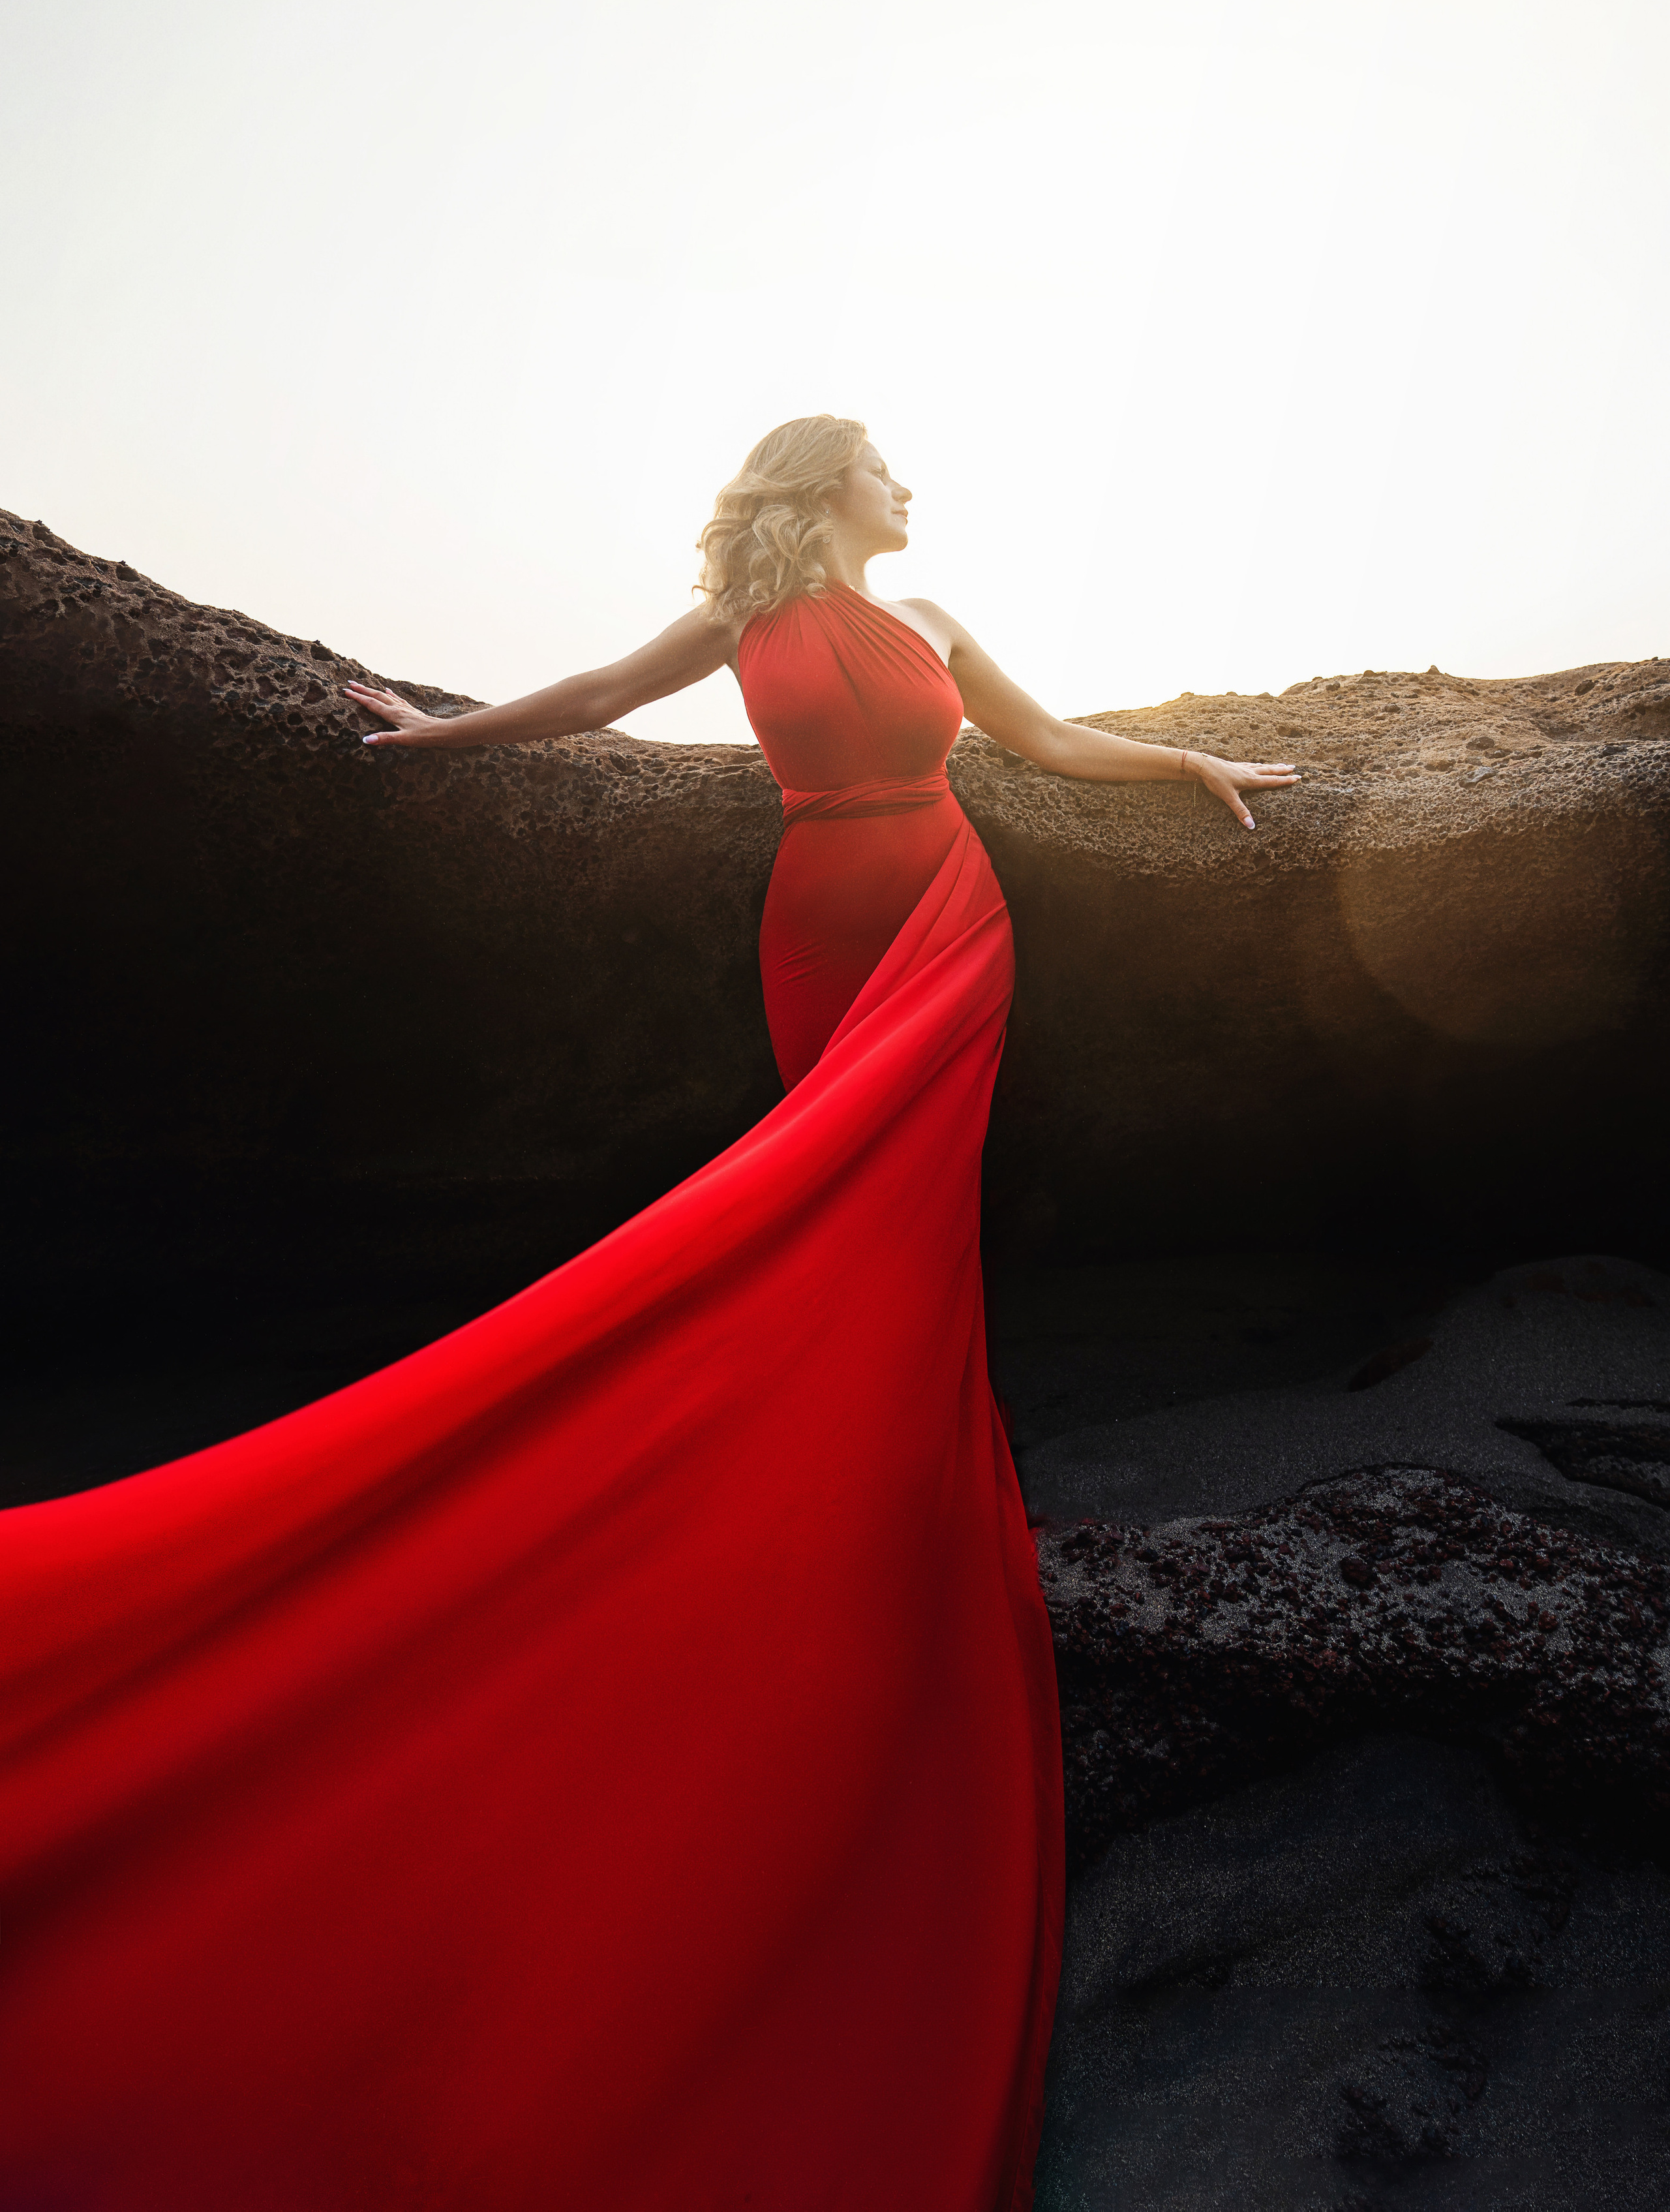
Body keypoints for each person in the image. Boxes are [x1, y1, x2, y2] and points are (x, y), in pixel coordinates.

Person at [0, 416, 1294, 2211]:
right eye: (889, 468)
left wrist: (1201, 765)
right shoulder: (742, 613)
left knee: (901, 1219)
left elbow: (1050, 744)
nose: (914, 492)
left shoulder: (934, 617)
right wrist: (432, 731)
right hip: (820, 912)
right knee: (799, 1218)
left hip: (945, 914)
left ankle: (890, 1478)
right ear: (824, 481)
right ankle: (797, 1460)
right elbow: (604, 689)